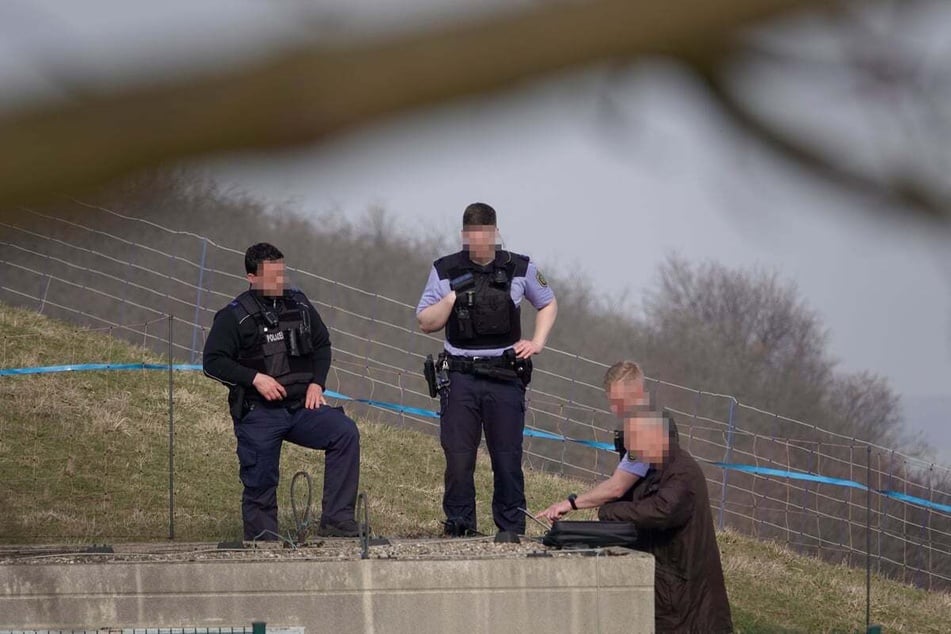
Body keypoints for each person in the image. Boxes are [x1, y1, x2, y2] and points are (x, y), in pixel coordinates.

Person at [537, 361, 733, 634]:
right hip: (670, 581)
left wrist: (599, 511)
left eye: (618, 401)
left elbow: (651, 506)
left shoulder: (678, 472)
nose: (614, 410)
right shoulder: (656, 452)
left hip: (683, 592)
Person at [416, 202, 558, 538]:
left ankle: (510, 528)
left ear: (495, 233)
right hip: (460, 375)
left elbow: (548, 302)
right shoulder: (445, 269)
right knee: (459, 458)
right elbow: (425, 322)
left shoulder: (520, 267)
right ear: (464, 235)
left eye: (485, 236)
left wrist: (537, 342)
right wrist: (451, 299)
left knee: (507, 458)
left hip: (505, 376)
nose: (479, 244)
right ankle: (460, 525)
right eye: (472, 237)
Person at [203, 243, 361, 541]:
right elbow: (212, 362)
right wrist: (254, 378)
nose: (279, 281)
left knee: (345, 433)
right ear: (252, 277)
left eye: (282, 273)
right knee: (261, 475)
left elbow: (322, 345)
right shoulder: (234, 316)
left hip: (301, 407)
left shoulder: (299, 304)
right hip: (258, 412)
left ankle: (337, 522)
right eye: (271, 275)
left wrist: (317, 383)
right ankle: (264, 541)